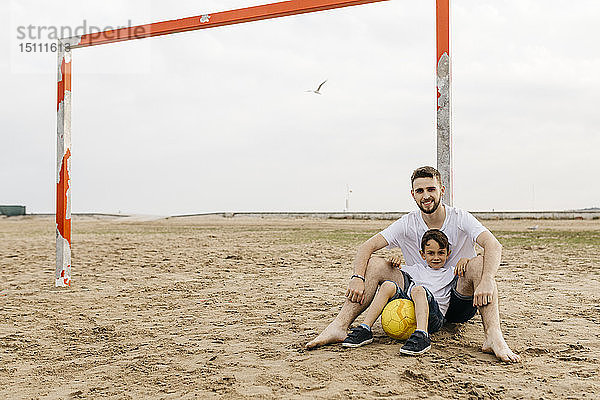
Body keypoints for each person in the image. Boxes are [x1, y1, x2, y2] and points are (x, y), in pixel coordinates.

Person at [305, 166, 520, 362]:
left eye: (431, 189)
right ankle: (340, 326)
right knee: (375, 264)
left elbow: (493, 245)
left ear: (441, 190)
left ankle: (493, 337)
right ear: (413, 195)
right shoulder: (408, 223)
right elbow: (366, 247)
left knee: (481, 264)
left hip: (457, 297)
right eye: (420, 191)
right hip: (419, 293)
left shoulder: (460, 217)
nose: (426, 196)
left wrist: (487, 280)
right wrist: (357, 278)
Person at [342, 229, 470, 355]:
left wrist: (465, 260)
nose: (436, 257)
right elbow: (396, 268)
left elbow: (470, 269)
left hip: (434, 317)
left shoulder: (451, 272)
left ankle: (422, 335)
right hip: (410, 310)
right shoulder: (417, 269)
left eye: (441, 253)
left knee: (418, 290)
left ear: (448, 254)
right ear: (422, 255)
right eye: (431, 253)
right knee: (388, 285)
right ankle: (365, 328)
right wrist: (393, 260)